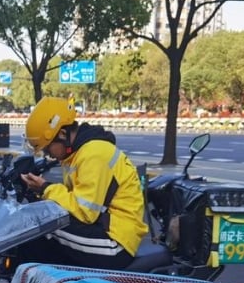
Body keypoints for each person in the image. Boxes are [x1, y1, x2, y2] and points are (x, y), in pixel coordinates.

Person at [19, 96, 148, 270]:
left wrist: (45, 188)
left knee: (37, 228)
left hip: (115, 241)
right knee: (39, 234)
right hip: (102, 228)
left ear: (62, 134)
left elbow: (84, 211)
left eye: (47, 148)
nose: (48, 154)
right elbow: (73, 200)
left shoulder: (94, 154)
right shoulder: (77, 154)